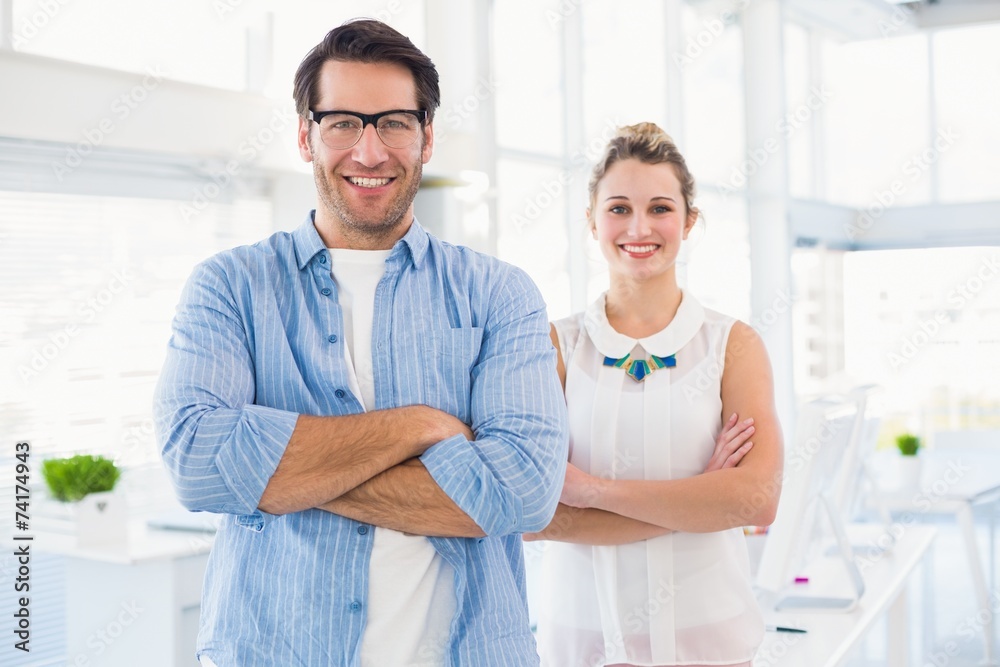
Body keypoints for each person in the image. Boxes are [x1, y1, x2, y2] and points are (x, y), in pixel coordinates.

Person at [153, 19, 568, 667]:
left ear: (427, 137)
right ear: (305, 135)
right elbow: (200, 465)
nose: (369, 152)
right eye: (343, 121)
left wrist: (276, 478)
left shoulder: (498, 295)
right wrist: (419, 427)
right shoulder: (230, 287)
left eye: (395, 122)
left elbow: (520, 495)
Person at [526, 122, 783, 667]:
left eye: (660, 208)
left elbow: (758, 500)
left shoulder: (732, 345)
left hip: (708, 640)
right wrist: (704, 498)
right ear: (592, 222)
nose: (639, 227)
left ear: (689, 221)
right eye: (618, 208)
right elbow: (527, 515)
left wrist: (592, 491)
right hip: (582, 642)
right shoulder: (555, 345)